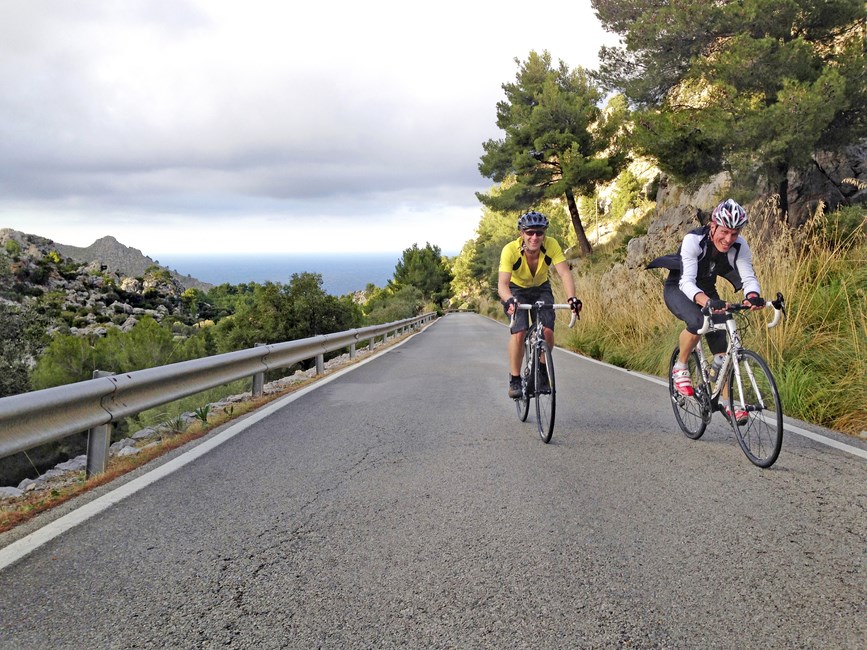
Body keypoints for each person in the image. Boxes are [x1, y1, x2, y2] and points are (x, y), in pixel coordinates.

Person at [648, 198, 766, 422]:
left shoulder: (740, 246)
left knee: (723, 346)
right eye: (724, 232)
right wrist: (706, 302)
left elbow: (748, 277)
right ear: (713, 226)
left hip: (707, 290)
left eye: (734, 233)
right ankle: (681, 367)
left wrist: (752, 296)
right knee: (699, 323)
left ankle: (728, 401)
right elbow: (687, 282)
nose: (728, 239)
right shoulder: (694, 240)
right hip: (680, 287)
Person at [498, 211, 582, 399]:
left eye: (539, 233)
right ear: (522, 234)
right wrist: (510, 300)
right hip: (516, 290)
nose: (534, 237)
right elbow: (502, 284)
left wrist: (571, 298)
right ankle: (515, 378)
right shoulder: (510, 250)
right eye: (530, 233)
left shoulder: (551, 245)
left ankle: (542, 371)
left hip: (541, 288)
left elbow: (565, 273)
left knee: (547, 331)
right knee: (519, 332)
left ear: (544, 234)